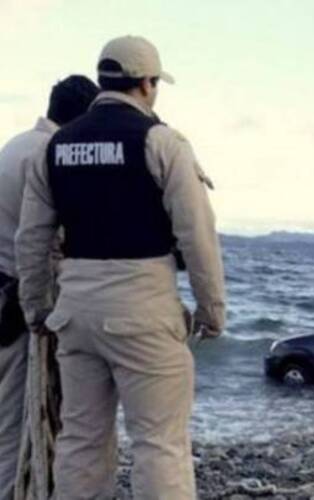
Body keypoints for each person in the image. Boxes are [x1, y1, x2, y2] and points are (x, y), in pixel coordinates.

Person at [16, 35, 226, 499]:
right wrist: (212, 311)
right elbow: (197, 235)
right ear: (148, 84)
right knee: (159, 443)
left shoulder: (54, 148)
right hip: (143, 309)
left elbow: (31, 240)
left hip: (76, 311)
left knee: (81, 440)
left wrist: (36, 309)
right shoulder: (162, 142)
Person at [0, 76, 99, 500]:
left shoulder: (13, 147)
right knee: (21, 416)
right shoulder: (49, 156)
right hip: (21, 300)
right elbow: (47, 239)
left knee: (7, 410)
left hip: (3, 288)